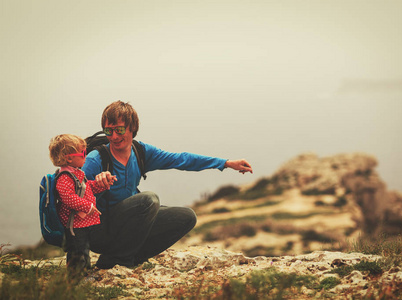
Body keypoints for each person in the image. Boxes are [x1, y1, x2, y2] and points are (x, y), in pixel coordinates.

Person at [82, 100, 253, 269]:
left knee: (186, 217)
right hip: (100, 231)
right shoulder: (96, 160)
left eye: (119, 130)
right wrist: (95, 187)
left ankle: (125, 258)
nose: (114, 137)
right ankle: (119, 258)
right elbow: (73, 202)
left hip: (128, 226)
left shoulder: (141, 152)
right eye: (108, 131)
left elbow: (181, 159)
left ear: (132, 128)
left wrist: (225, 163)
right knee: (148, 200)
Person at [48, 134, 117, 275]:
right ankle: (77, 276)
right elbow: (68, 197)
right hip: (74, 223)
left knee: (84, 247)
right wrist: (88, 207)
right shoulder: (65, 177)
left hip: (81, 222)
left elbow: (87, 188)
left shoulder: (76, 173)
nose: (86, 156)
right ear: (69, 158)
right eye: (83, 153)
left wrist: (101, 185)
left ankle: (84, 272)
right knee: (78, 250)